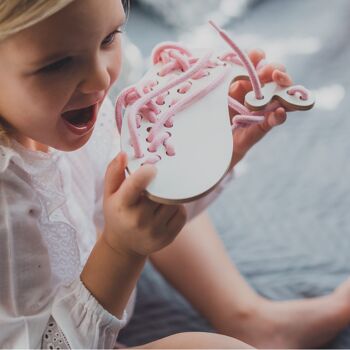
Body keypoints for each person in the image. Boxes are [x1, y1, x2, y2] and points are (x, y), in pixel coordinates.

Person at [0, 0, 350, 348]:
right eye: (58, 64)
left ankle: (248, 317)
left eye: (108, 38)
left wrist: (209, 153)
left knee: (148, 174)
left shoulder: (60, 110)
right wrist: (121, 249)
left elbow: (132, 193)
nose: (100, 78)